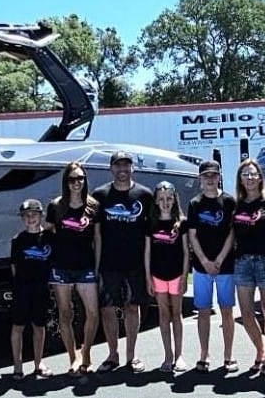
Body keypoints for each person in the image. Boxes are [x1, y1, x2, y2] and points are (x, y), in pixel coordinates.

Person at [93, 150, 153, 373]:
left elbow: (151, 234)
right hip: (109, 263)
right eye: (118, 166)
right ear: (111, 169)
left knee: (132, 307)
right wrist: (96, 266)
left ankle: (132, 355)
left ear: (132, 168)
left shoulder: (144, 195)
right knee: (107, 309)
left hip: (135, 264)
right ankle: (112, 354)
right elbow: (96, 235)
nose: (122, 170)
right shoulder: (100, 195)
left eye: (126, 166)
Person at [46, 162, 100, 376]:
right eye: (72, 179)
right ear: (65, 182)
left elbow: (98, 238)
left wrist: (97, 267)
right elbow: (48, 236)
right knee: (65, 313)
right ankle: (73, 357)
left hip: (86, 267)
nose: (76, 183)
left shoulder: (93, 205)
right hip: (61, 268)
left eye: (80, 178)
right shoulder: (56, 206)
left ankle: (86, 353)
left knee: (92, 313)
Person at [187, 160, 238, 373]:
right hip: (201, 268)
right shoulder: (195, 203)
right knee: (204, 310)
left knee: (226, 311)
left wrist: (218, 260)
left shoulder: (228, 201)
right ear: (200, 178)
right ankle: (204, 355)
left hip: (225, 266)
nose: (209, 179)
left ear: (219, 176)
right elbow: (192, 236)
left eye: (213, 175)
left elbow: (232, 233)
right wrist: (205, 261)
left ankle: (229, 356)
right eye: (205, 175)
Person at [232, 158, 265, 376]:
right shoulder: (235, 204)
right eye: (245, 174)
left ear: (260, 177)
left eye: (253, 173)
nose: (249, 177)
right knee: (246, 313)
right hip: (242, 262)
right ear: (240, 179)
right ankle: (260, 351)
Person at [144, 181, 190, 373]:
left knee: (176, 314)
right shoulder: (150, 223)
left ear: (174, 199)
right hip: (158, 275)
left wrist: (185, 276)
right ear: (156, 201)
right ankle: (168, 355)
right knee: (163, 314)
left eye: (169, 198)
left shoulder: (182, 222)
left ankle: (179, 355)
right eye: (161, 199)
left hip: (177, 274)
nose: (165, 202)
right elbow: (147, 252)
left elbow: (187, 252)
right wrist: (148, 278)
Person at [9, 199, 53, 380]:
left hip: (41, 288)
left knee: (39, 326)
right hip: (22, 288)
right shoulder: (17, 240)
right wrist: (19, 285)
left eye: (34, 215)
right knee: (18, 326)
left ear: (41, 216)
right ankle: (17, 366)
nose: (30, 219)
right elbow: (14, 267)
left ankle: (38, 363)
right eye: (26, 216)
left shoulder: (50, 238)